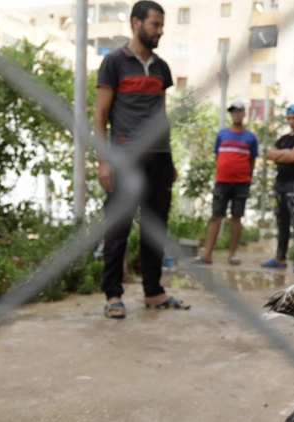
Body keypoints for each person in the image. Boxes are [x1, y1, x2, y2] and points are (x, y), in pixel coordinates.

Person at [95, 0, 189, 319]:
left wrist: (170, 158)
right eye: (155, 25)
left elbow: (160, 114)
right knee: (118, 227)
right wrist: (103, 161)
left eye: (162, 25)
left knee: (155, 227)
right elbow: (100, 115)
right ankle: (113, 295)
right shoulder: (113, 63)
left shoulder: (161, 67)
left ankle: (153, 292)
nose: (160, 31)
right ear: (136, 23)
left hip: (159, 159)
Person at [196, 100, 259, 265]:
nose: (236, 114)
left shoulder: (251, 137)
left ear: (244, 114)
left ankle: (232, 254)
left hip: (241, 183)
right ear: (231, 114)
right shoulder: (222, 135)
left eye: (239, 111)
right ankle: (207, 254)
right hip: (222, 182)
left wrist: (247, 177)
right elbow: (218, 156)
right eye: (233, 112)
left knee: (236, 218)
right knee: (216, 216)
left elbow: (252, 161)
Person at [261, 104, 294, 273]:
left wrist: (283, 156)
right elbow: (269, 154)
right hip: (280, 185)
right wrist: (287, 155)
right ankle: (280, 257)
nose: (291, 122)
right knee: (281, 222)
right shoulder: (283, 138)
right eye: (289, 118)